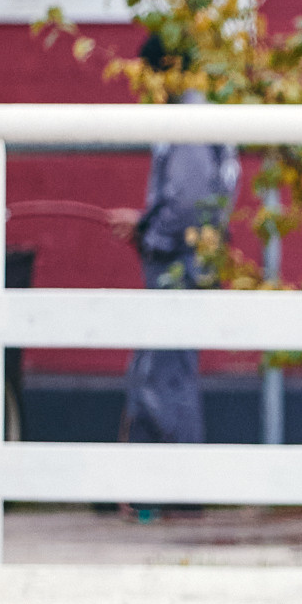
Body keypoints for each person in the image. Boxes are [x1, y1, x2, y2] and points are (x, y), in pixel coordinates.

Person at [106, 37, 238, 445]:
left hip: (179, 267)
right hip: (189, 262)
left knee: (165, 376)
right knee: (165, 370)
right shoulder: (200, 115)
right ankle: (161, 491)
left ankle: (168, 494)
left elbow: (188, 206)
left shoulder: (188, 122)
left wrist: (149, 232)